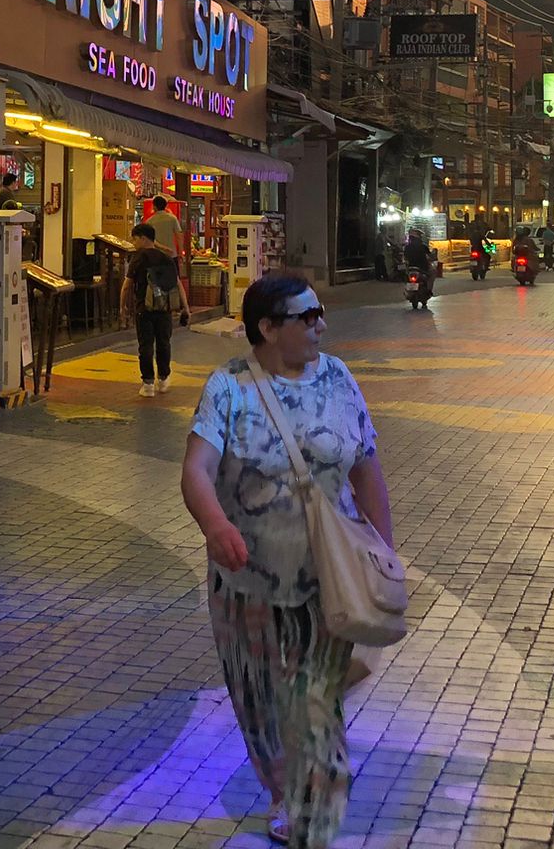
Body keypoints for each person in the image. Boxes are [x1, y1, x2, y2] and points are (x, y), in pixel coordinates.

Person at [181, 273, 394, 848]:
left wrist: (384, 551)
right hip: (244, 578)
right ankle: (284, 793)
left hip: (326, 576)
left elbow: (366, 466)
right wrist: (216, 524)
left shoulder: (339, 378)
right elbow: (197, 472)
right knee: (257, 699)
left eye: (319, 313)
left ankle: (314, 817)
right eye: (307, 317)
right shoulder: (228, 387)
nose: (321, 325)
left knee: (313, 697)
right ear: (268, 328)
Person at [120, 223, 178, 398]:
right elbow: (177, 284)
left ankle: (148, 384)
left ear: (143, 238)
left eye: (135, 238)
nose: (133, 242)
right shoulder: (166, 258)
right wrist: (186, 308)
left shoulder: (138, 258)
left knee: (145, 345)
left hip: (143, 308)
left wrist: (122, 306)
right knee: (163, 342)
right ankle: (164, 378)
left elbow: (127, 285)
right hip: (164, 308)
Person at [146, 194, 191, 323]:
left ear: (154, 206)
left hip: (155, 257)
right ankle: (175, 307)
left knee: (156, 282)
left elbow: (149, 241)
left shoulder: (150, 222)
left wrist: (160, 247)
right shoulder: (172, 219)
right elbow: (179, 235)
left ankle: (159, 305)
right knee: (175, 281)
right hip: (172, 256)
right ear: (165, 206)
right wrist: (181, 253)